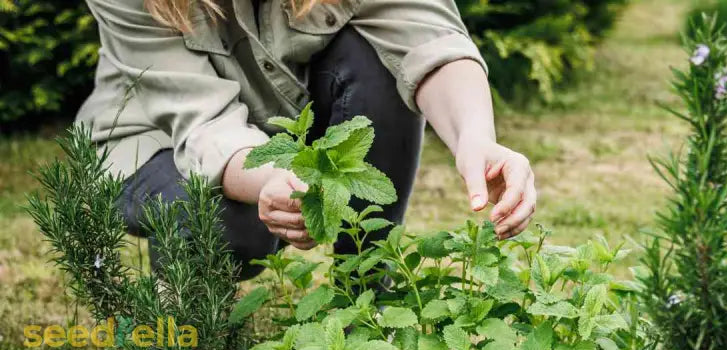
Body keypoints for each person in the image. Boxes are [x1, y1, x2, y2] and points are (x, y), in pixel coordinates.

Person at [77, 0, 537, 279]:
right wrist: (276, 180)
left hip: (276, 127)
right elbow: (203, 125)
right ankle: (180, 324)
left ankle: (366, 298)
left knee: (380, 60)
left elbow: (427, 36)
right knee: (229, 225)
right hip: (149, 141)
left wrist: (476, 137)